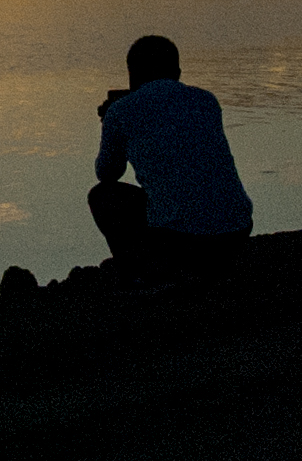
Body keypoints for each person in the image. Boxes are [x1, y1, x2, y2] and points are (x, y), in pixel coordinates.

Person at [89, 34, 254, 285]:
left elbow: (107, 174)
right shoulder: (207, 101)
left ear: (132, 74)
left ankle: (143, 274)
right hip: (237, 231)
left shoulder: (121, 111)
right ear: (177, 72)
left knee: (102, 196)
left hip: (180, 239)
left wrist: (110, 123)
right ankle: (204, 267)